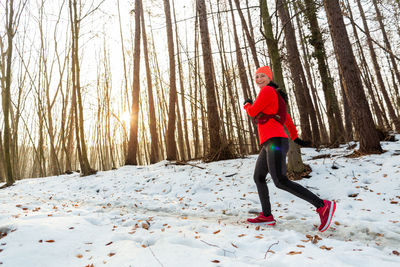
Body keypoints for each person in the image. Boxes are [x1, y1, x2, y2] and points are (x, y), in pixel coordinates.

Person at [243, 66, 336, 232]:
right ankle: (267, 216)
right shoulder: (276, 96)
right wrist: (295, 137)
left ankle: (322, 206)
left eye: (263, 76)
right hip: (270, 142)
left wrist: (247, 104)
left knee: (280, 180)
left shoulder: (267, 91)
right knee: (259, 177)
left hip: (275, 141)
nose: (259, 79)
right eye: (257, 77)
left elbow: (252, 112)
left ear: (269, 77)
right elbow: (286, 119)